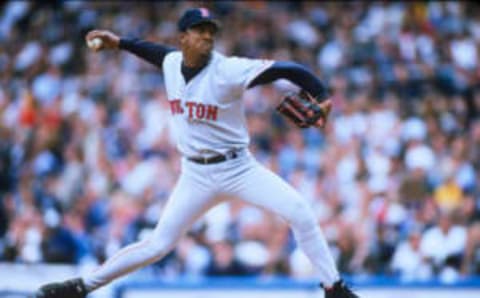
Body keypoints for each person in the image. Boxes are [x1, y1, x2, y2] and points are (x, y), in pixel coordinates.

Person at [35, 7, 359, 298]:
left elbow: (288, 69)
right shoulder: (172, 62)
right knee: (157, 245)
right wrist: (119, 42)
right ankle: (83, 286)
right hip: (196, 174)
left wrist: (321, 94)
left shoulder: (229, 70)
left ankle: (334, 288)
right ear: (183, 38)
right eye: (199, 31)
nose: (207, 37)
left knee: (299, 211)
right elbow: (154, 52)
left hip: (238, 168)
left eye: (211, 32)